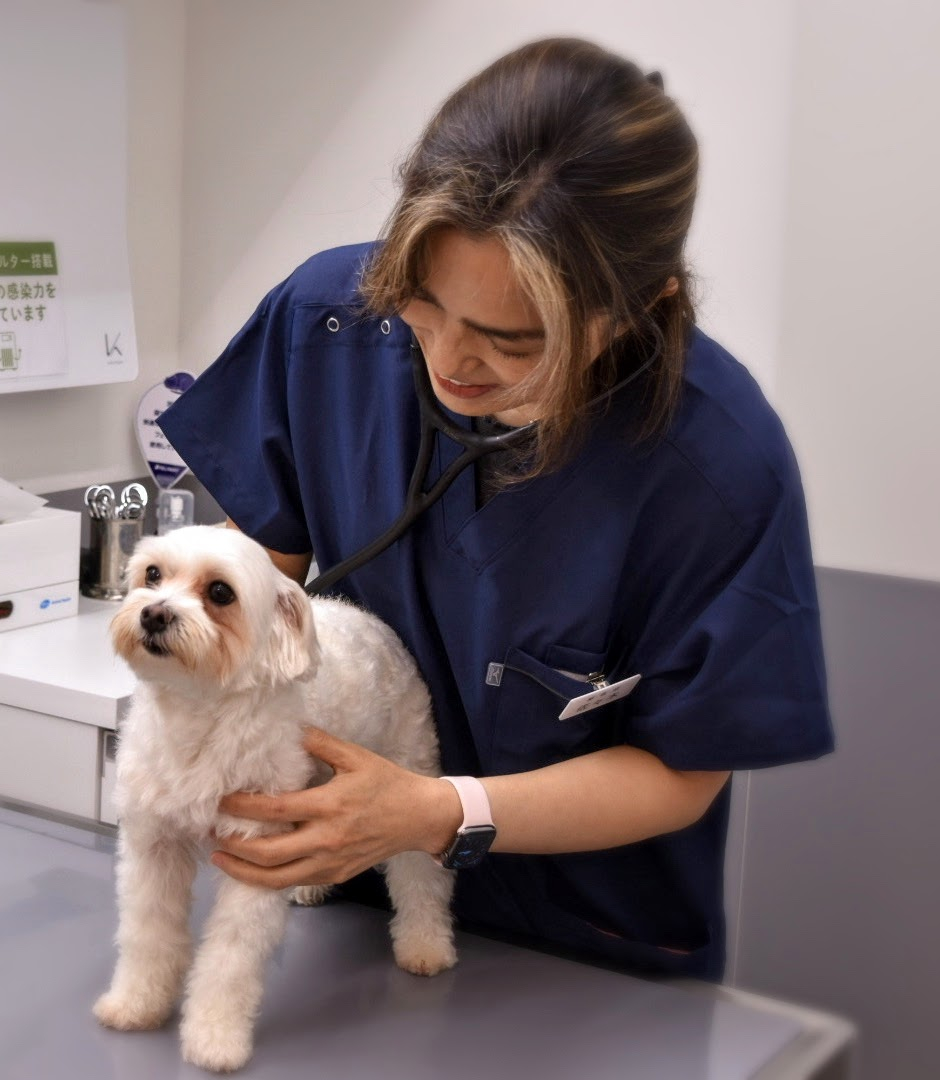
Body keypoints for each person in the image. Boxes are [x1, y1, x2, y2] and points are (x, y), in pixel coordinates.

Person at [156, 37, 833, 981]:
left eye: (510, 341)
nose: (447, 361)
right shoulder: (330, 319)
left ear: (640, 308)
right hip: (344, 895)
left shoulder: (714, 466)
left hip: (580, 941)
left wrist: (438, 813)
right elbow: (259, 572)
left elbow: (684, 768)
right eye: (422, 308)